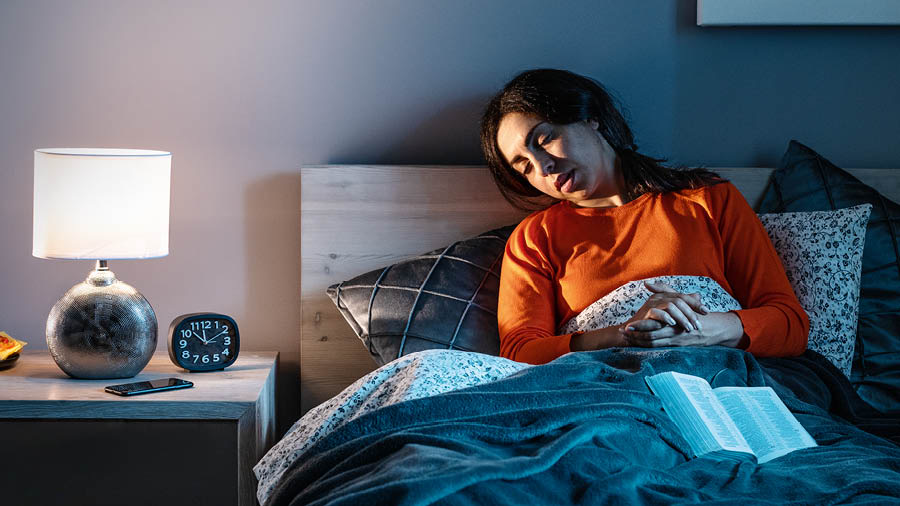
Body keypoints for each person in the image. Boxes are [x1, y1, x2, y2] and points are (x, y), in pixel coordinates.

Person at [480, 69, 809, 365]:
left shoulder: (707, 199)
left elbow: (790, 324)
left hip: (717, 374)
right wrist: (625, 334)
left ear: (589, 117)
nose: (542, 168)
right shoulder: (535, 238)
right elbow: (520, 353)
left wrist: (701, 330)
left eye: (544, 139)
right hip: (603, 385)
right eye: (524, 166)